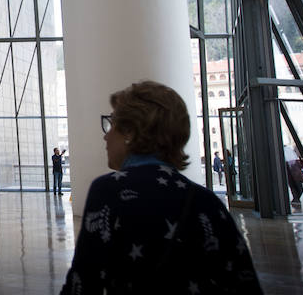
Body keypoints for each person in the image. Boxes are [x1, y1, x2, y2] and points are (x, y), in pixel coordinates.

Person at [60, 81, 263, 294]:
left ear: (130, 132)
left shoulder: (108, 191)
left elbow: (83, 282)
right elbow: (243, 282)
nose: (106, 135)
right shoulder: (207, 202)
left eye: (112, 124)